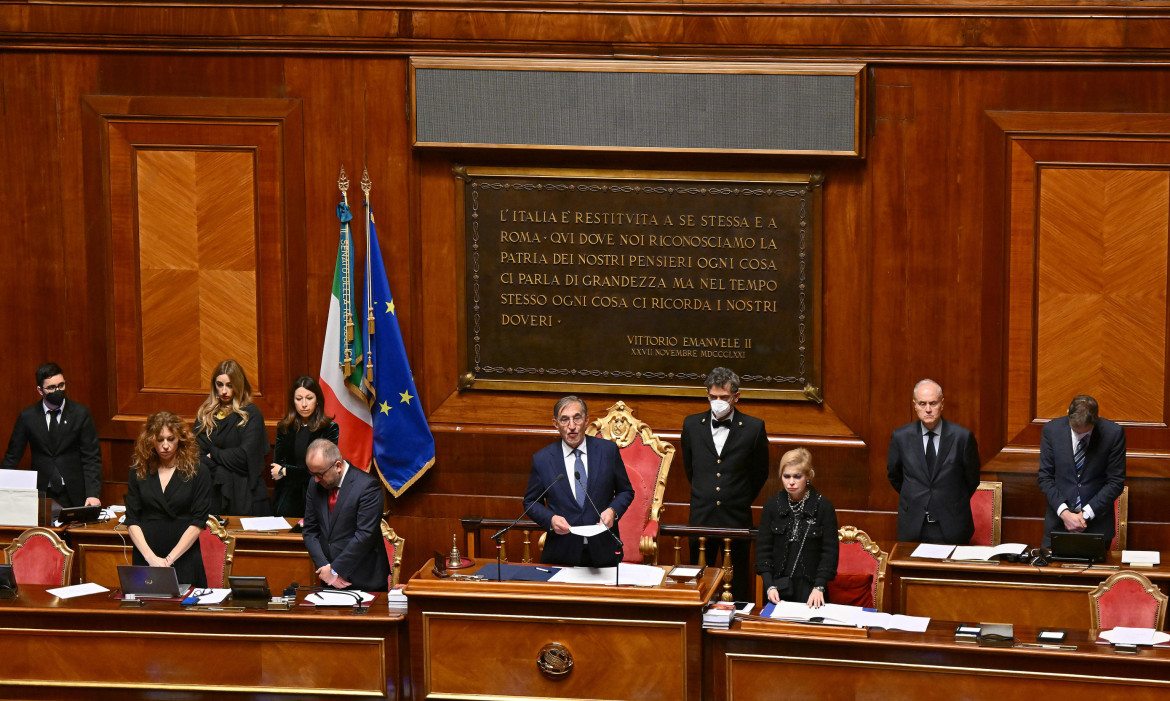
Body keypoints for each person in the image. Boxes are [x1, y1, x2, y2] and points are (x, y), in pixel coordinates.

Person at [680, 367, 770, 602]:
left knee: (738, 585)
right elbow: (691, 469)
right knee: (699, 586)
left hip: (736, 517)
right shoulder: (691, 425)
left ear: (736, 397)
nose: (717, 402)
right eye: (713, 397)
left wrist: (737, 498)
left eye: (724, 398)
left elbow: (760, 473)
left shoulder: (753, 427)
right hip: (701, 517)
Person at [523, 396, 634, 567]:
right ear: (555, 423)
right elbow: (530, 502)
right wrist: (550, 519)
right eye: (564, 419)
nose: (572, 426)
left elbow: (625, 491)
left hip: (603, 551)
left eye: (577, 418)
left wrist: (613, 511)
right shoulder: (543, 459)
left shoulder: (607, 451)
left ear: (586, 420)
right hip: (561, 552)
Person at [887, 379, 981, 544]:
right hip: (913, 525)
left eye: (933, 403)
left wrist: (949, 498)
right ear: (914, 405)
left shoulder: (962, 437)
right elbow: (894, 475)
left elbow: (972, 479)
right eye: (922, 404)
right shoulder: (900, 437)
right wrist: (916, 495)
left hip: (953, 525)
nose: (928, 409)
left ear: (942, 404)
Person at [125, 411, 211, 588]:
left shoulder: (198, 471)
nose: (165, 445)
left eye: (170, 439)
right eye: (160, 439)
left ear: (180, 439)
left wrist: (168, 560)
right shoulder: (139, 471)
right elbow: (132, 519)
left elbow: (198, 522)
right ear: (151, 440)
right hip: (147, 554)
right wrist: (151, 558)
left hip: (183, 555)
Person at [1, 362, 102, 508]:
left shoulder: (80, 414)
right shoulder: (27, 416)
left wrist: (93, 494)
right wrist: (2, 490)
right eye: (51, 387)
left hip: (73, 492)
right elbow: (12, 456)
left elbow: (91, 457)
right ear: (40, 390)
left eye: (61, 385)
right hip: (41, 492)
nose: (58, 391)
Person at [1038, 395, 1126, 548]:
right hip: (1058, 524)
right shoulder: (1051, 430)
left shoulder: (1113, 434)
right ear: (1068, 413)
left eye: (1084, 433)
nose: (1079, 436)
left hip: (1097, 526)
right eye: (1075, 431)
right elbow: (1045, 477)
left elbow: (1115, 482)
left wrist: (1085, 515)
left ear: (1096, 420)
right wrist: (1065, 514)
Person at [302, 439, 389, 591]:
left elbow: (364, 535)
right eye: (312, 473)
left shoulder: (367, 486)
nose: (316, 479)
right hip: (329, 579)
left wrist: (336, 570)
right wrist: (325, 568)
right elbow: (310, 530)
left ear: (338, 466)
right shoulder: (315, 484)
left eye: (320, 474)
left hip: (364, 578)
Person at [756, 448, 838, 608]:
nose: (791, 482)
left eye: (797, 476)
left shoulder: (823, 507)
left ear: (808, 476)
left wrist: (819, 586)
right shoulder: (772, 505)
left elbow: (830, 552)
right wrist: (769, 585)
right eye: (786, 476)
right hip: (777, 587)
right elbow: (763, 550)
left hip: (812, 589)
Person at [194, 359, 269, 516]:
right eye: (219, 385)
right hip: (211, 492)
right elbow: (196, 456)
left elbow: (244, 457)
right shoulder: (205, 414)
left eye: (229, 385)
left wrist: (214, 454)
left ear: (238, 385)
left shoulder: (251, 414)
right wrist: (223, 463)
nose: (224, 391)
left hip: (245, 494)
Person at [270, 376, 339, 518]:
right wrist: (287, 471)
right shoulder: (284, 427)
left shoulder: (329, 428)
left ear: (317, 400)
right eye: (299, 399)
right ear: (293, 402)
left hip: (318, 496)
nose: (304, 404)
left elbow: (324, 472)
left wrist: (287, 471)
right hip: (287, 498)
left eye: (309, 398)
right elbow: (277, 469)